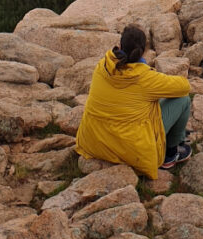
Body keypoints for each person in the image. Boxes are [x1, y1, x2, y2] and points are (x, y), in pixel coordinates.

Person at [75, 24, 192, 179]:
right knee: (183, 100)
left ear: (120, 45)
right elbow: (184, 87)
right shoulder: (145, 78)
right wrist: (151, 73)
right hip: (133, 150)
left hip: (94, 141)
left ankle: (175, 140)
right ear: (143, 51)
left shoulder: (102, 66)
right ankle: (169, 154)